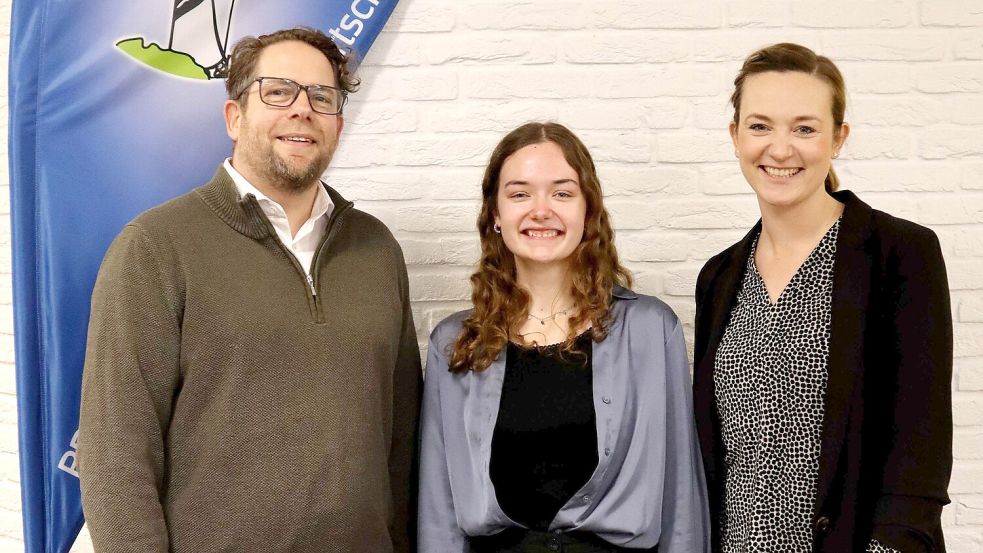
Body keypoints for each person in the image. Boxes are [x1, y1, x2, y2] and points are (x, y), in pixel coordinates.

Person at [78, 27, 421, 553]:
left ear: (338, 125)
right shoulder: (154, 247)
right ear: (234, 118)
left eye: (321, 97)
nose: (301, 109)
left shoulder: (376, 249)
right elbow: (116, 454)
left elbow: (401, 439)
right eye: (277, 91)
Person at [693, 43, 952, 553]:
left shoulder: (900, 254)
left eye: (804, 128)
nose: (780, 149)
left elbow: (919, 452)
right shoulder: (719, 277)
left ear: (838, 139)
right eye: (760, 125)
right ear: (735, 136)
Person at [418, 122, 710, 552]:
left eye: (562, 193)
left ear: (588, 210)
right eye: (520, 194)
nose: (541, 210)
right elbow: (438, 512)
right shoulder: (454, 344)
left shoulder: (650, 330)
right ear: (495, 214)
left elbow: (681, 496)